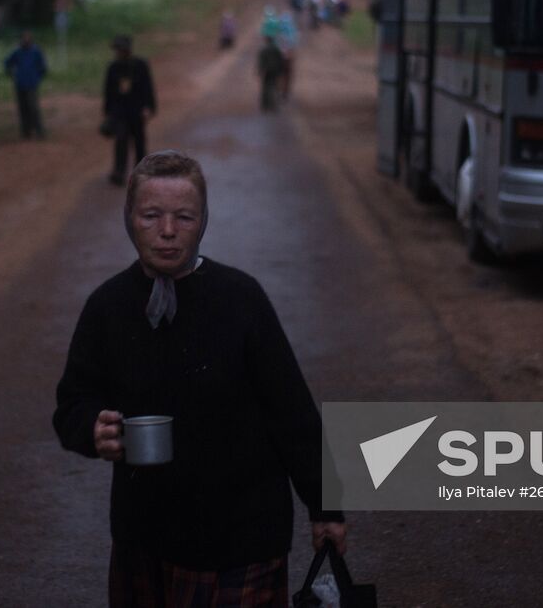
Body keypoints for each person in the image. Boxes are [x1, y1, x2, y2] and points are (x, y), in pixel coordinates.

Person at [53, 151, 346, 607]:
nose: (168, 230)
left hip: (241, 543)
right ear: (129, 217)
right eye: (151, 215)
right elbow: (73, 403)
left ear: (203, 220)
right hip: (144, 540)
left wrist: (325, 507)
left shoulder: (241, 300)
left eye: (184, 217)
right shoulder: (108, 307)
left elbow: (292, 414)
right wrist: (93, 429)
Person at [103, 35, 156, 186]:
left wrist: (149, 107)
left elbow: (148, 87)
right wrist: (108, 112)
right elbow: (108, 91)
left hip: (137, 111)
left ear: (127, 50)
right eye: (117, 49)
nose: (118, 52)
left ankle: (141, 172)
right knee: (121, 140)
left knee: (139, 142)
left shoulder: (140, 65)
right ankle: (119, 172)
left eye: (120, 49)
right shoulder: (113, 67)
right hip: (120, 112)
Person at [3, 31, 48, 139]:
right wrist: (10, 73)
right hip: (20, 84)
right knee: (23, 108)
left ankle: (39, 131)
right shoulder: (17, 51)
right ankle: (26, 131)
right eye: (23, 38)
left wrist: (37, 78)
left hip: (31, 84)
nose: (25, 41)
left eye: (27, 38)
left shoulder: (36, 51)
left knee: (33, 108)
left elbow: (43, 67)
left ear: (31, 40)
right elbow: (7, 62)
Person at [256, 35, 286, 113]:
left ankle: (265, 105)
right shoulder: (277, 49)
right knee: (275, 86)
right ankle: (274, 104)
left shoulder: (264, 49)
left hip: (267, 70)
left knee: (265, 87)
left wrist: (259, 71)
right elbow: (281, 60)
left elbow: (261, 61)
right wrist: (282, 71)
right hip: (275, 70)